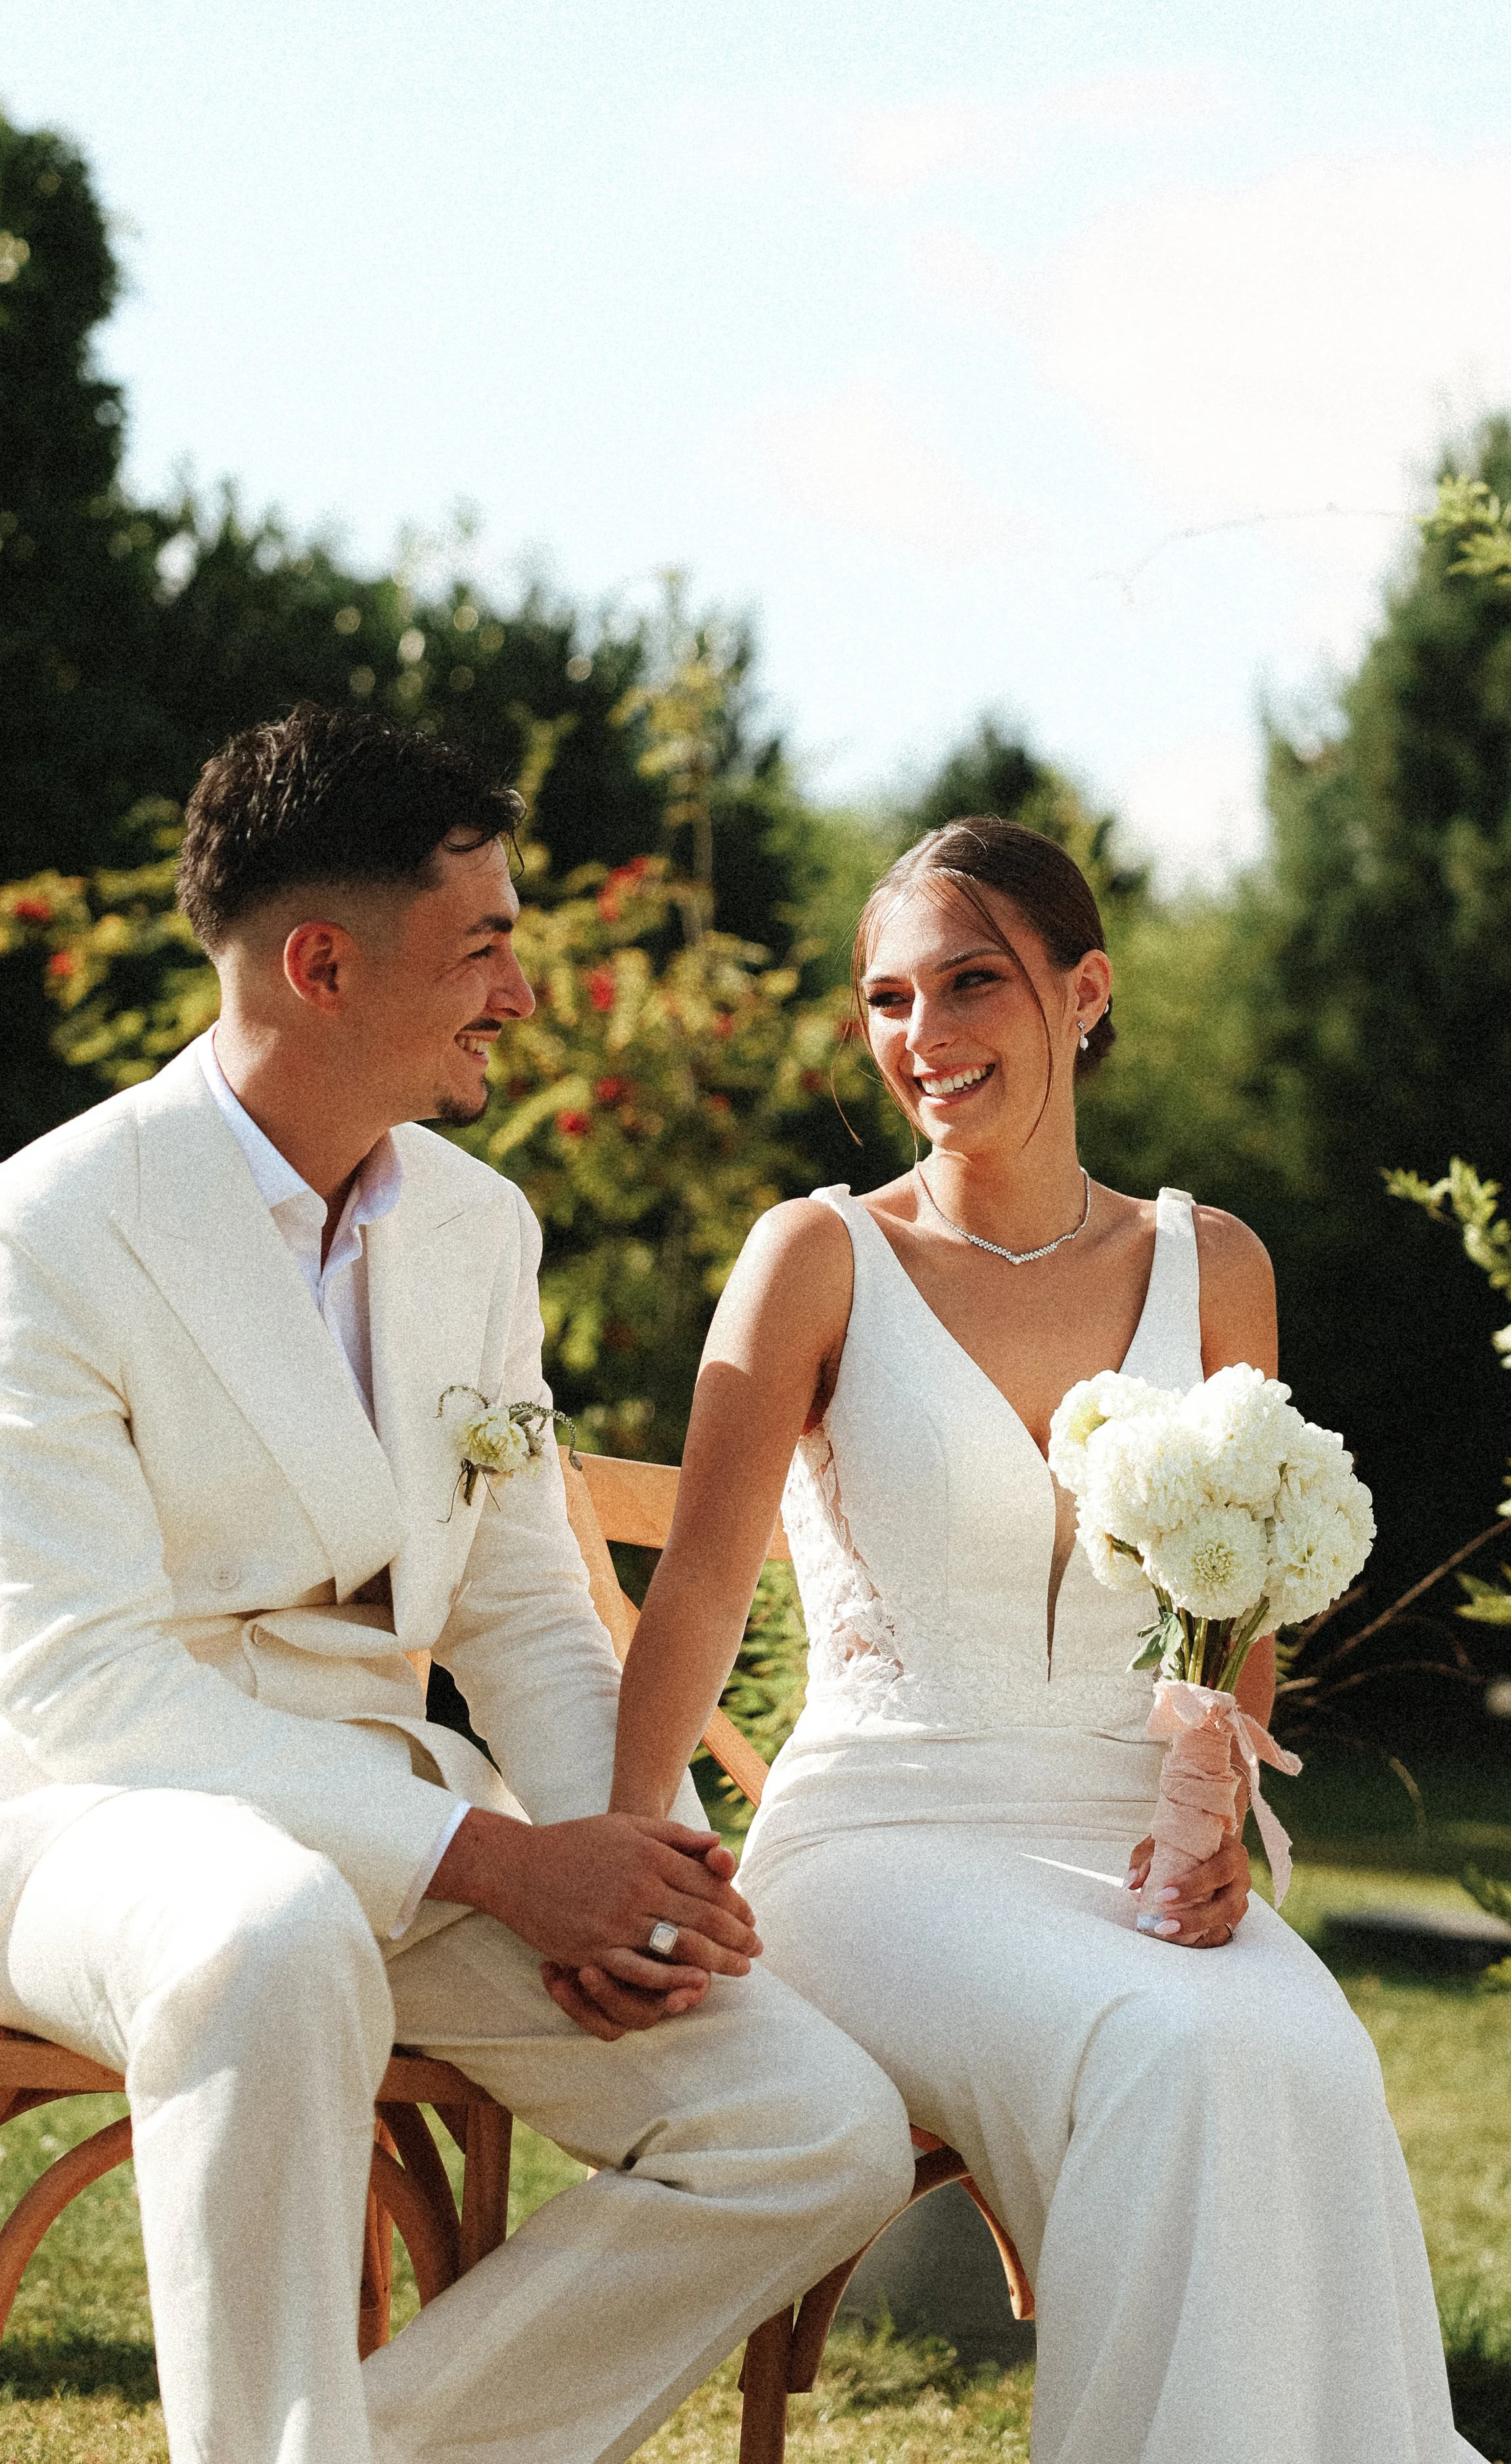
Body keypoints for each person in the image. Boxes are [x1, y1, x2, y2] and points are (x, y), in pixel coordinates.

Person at [0, 704, 912, 2464]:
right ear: (323, 962)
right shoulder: (49, 1227)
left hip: (415, 1840)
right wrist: (506, 1859)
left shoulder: (481, 1226)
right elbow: (93, 1685)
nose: (517, 993)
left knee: (816, 2124)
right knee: (266, 1930)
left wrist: (614, 1865)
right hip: (101, 1825)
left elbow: (510, 1612)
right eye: (483, 944)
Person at [611, 817, 1486, 2464]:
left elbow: (1236, 1598)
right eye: (886, 998)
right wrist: (634, 1855)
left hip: (1122, 1835)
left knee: (1294, 2050)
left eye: (969, 985)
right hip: (879, 1844)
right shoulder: (816, 1255)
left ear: (1082, 994)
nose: (922, 1039)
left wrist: (1211, 1820)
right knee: (1169, 2052)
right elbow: (699, 1597)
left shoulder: (1207, 1262)